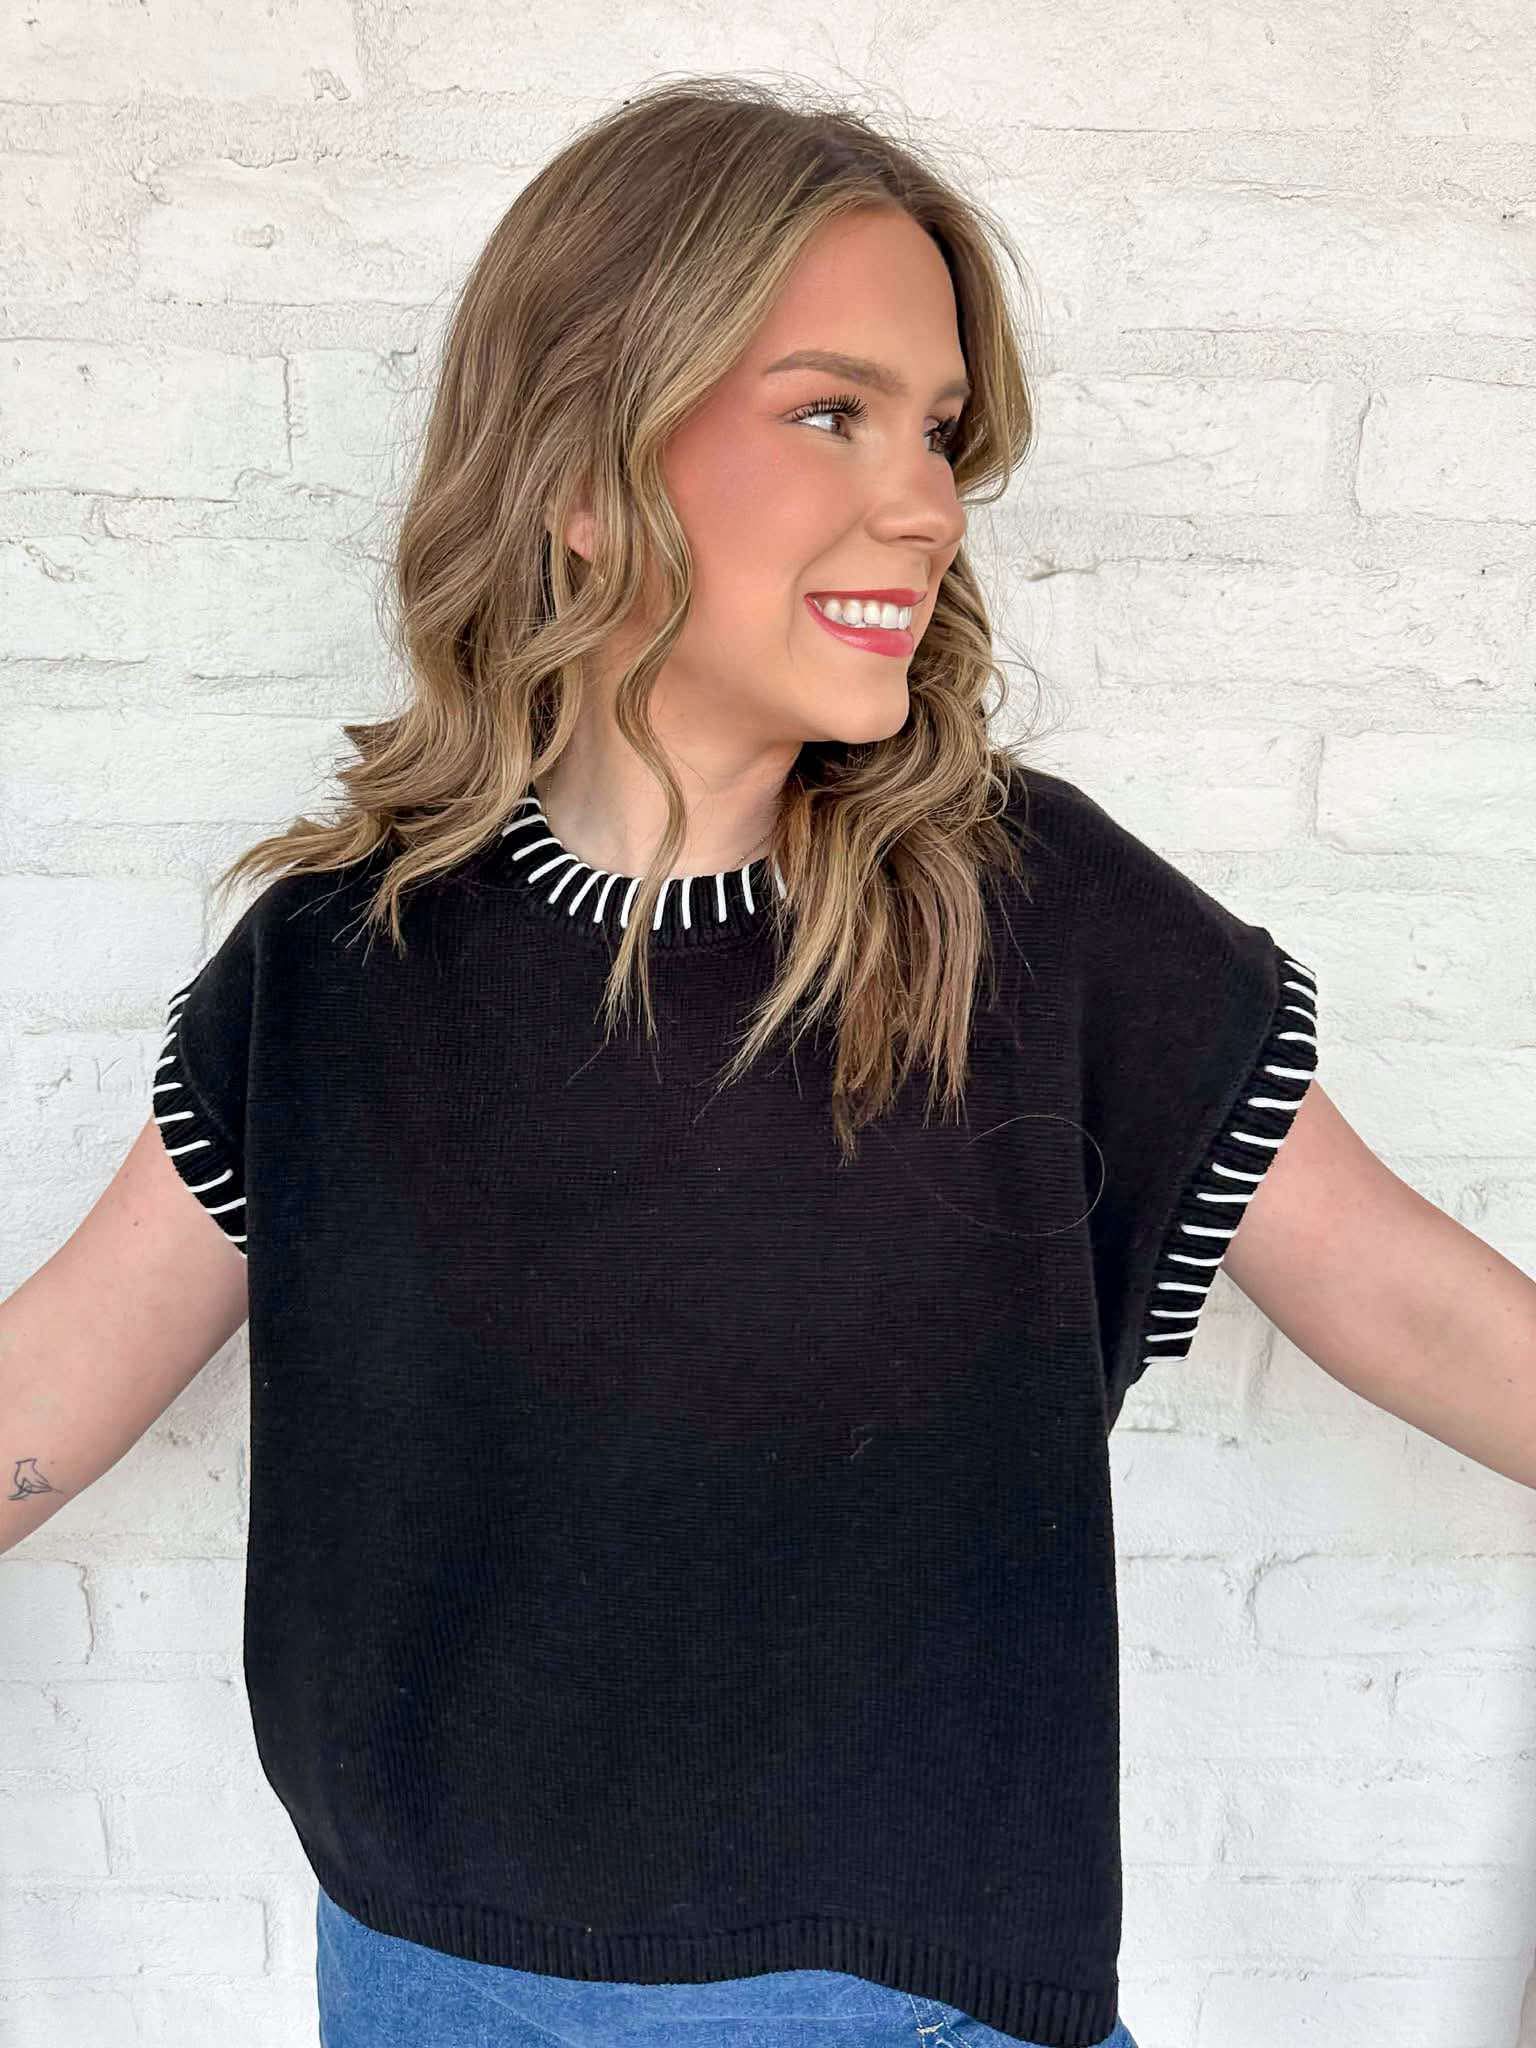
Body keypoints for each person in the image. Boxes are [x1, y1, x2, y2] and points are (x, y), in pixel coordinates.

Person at [10, 70, 1531, 2048]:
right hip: (418, 1988)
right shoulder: (333, 969)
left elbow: (1412, 1300)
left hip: (899, 2007)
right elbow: (51, 1390)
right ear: (579, 469)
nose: (927, 501)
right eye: (832, 412)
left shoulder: (1032, 921)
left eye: (939, 431)